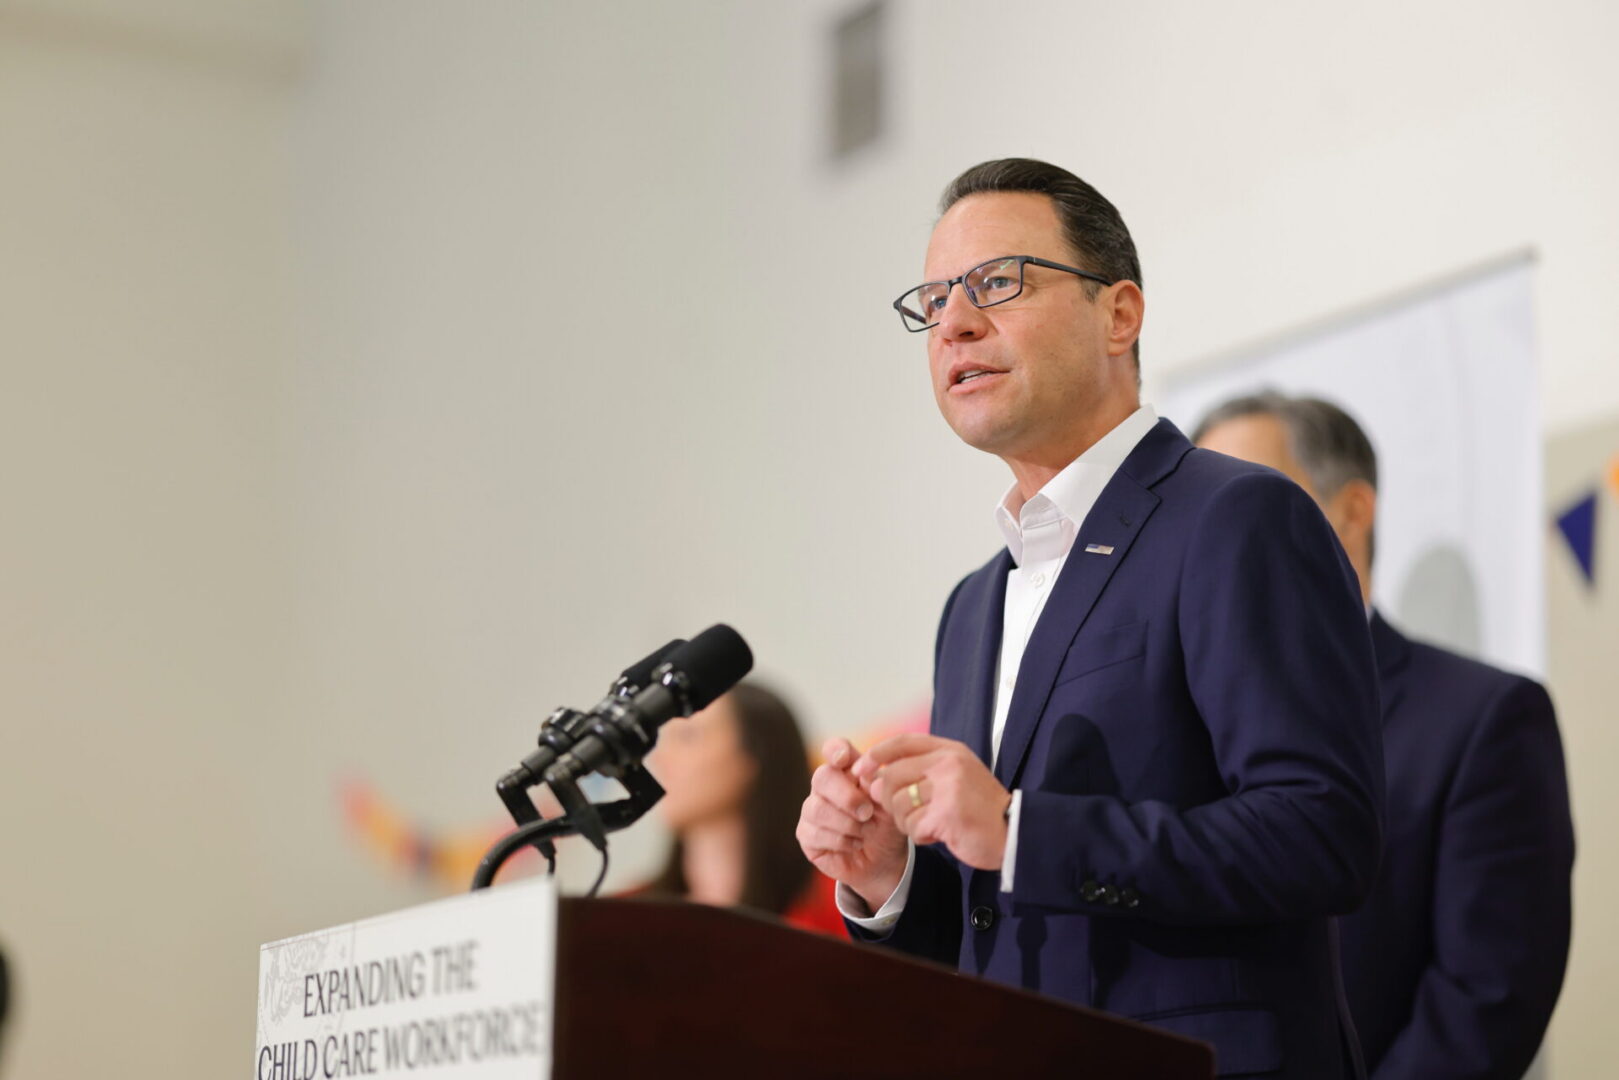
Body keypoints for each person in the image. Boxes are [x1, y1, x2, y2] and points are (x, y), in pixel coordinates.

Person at [794, 158, 1385, 1078]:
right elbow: (989, 923)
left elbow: (1320, 833)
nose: (954, 321)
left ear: (1118, 315)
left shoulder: (1235, 519)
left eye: (997, 282)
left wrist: (1021, 829)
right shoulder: (972, 604)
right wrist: (889, 877)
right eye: (933, 300)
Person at [1194, 391, 1574, 1079]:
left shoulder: (1481, 719)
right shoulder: (1173, 721)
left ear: (1351, 511)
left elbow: (1485, 1001)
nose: (1216, 540)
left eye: (1248, 505)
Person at [642, 681, 844, 937]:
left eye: (688, 737)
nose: (660, 758)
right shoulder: (625, 914)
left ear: (754, 757)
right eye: (664, 740)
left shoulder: (839, 908)